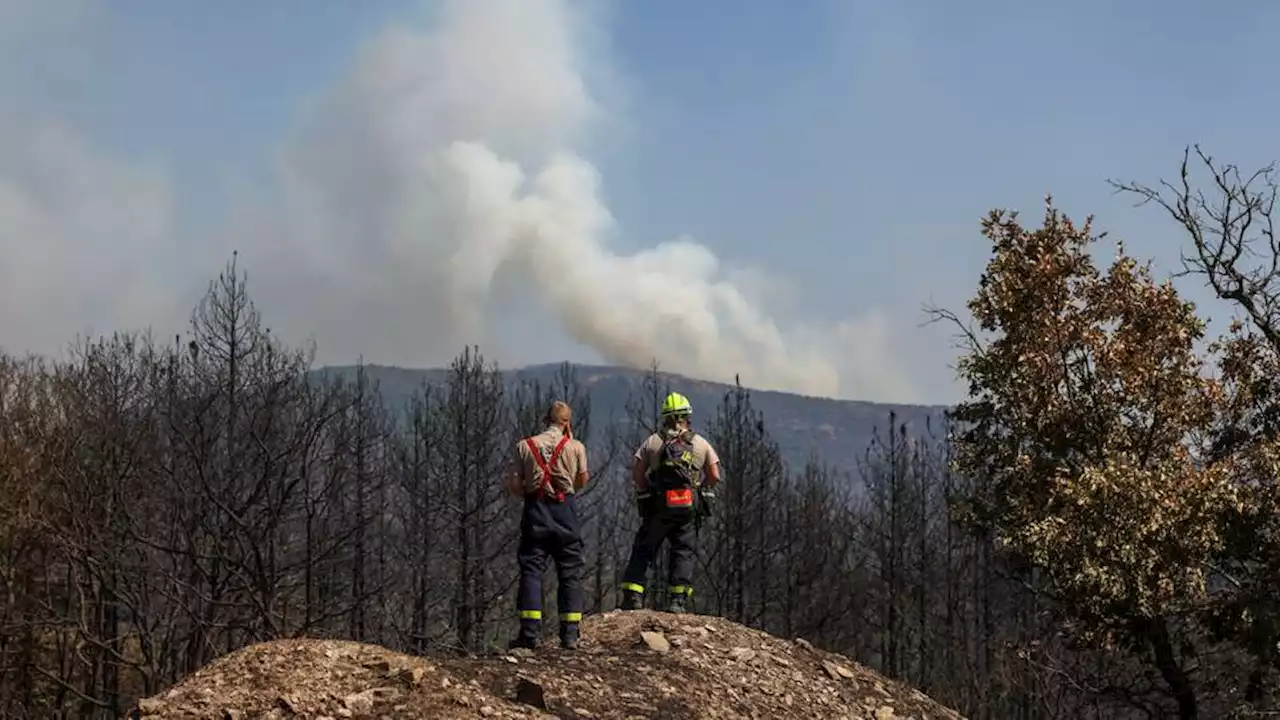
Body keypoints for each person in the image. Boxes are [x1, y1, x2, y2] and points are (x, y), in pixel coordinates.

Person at [619, 391, 721, 614]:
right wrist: (701, 489)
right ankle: (678, 600)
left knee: (645, 548)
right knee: (683, 550)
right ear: (687, 415)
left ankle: (634, 596)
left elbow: (637, 474)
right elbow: (714, 475)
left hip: (658, 507)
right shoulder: (700, 443)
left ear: (664, 416)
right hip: (686, 506)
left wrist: (647, 489)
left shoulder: (653, 441)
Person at [507, 400, 590, 649]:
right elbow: (582, 479)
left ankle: (530, 633)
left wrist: (531, 494)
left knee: (532, 569)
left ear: (546, 420)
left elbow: (513, 483)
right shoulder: (576, 447)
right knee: (570, 571)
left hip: (535, 510)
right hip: (565, 511)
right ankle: (570, 634)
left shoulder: (525, 445)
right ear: (567, 423)